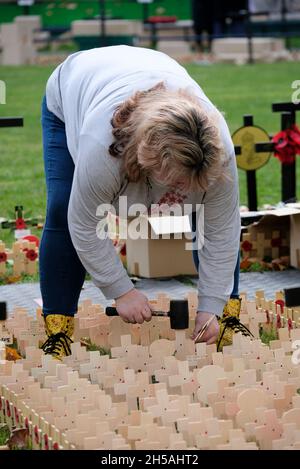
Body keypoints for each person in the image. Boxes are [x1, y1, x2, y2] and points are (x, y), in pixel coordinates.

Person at [40, 45, 241, 360]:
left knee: (210, 209)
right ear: (149, 159)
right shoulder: (102, 148)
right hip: (74, 89)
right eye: (177, 181)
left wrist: (211, 307)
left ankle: (227, 318)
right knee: (62, 206)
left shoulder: (219, 150)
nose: (183, 190)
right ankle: (57, 330)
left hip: (147, 69)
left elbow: (222, 230)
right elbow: (84, 223)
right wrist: (121, 290)